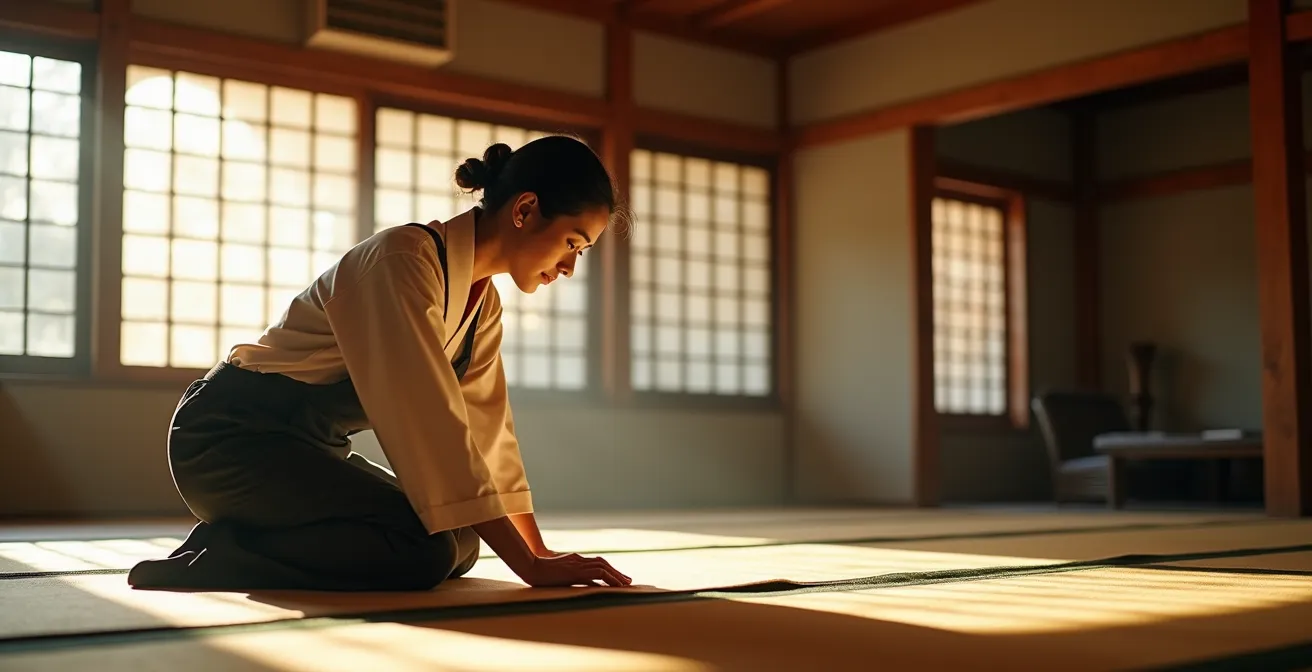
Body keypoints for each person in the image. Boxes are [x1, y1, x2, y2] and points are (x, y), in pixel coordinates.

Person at [127, 135, 633, 592]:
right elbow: (433, 427)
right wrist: (529, 568)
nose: (568, 268)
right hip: (230, 442)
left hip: (310, 450)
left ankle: (256, 529)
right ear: (525, 209)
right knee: (425, 551)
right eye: (572, 243)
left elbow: (488, 434)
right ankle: (227, 554)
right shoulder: (403, 260)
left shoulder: (484, 306)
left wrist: (537, 553)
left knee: (462, 538)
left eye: (581, 253)